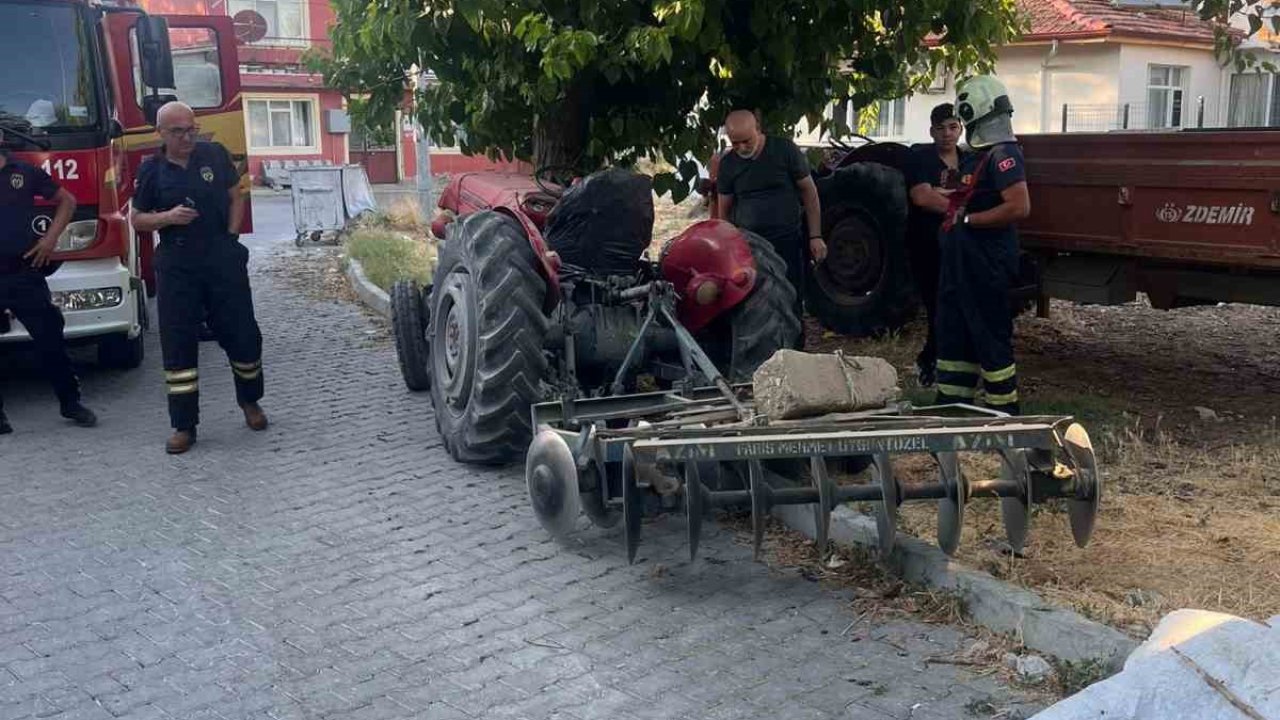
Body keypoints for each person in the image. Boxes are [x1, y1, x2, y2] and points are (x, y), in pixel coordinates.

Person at [130, 102, 267, 454]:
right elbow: (137, 219)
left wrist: (232, 238)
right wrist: (169, 218)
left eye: (191, 128)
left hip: (221, 259)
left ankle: (250, 402)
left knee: (242, 335)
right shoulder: (150, 171)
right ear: (160, 133)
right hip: (177, 264)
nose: (188, 136)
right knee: (178, 344)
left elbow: (235, 195)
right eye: (179, 132)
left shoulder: (214, 154)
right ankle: (184, 426)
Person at [934, 77, 1030, 415]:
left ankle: (1003, 417)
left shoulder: (1004, 154)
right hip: (962, 265)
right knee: (953, 336)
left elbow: (1019, 206)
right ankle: (950, 411)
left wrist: (970, 221)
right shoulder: (979, 156)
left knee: (990, 339)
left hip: (986, 264)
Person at [0, 141, 98, 434]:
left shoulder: (25, 172)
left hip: (22, 272)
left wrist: (50, 239)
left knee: (50, 340)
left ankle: (71, 403)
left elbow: (67, 200)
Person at [715, 109, 826, 317]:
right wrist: (727, 247)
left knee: (791, 296)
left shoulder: (784, 151)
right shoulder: (728, 164)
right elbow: (724, 210)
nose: (741, 148)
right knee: (754, 301)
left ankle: (794, 346)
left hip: (788, 239)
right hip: (750, 245)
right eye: (734, 142)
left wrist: (815, 236)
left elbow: (810, 193)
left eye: (746, 141)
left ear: (758, 128)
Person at [906, 103, 969, 388]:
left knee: (958, 304)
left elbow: (976, 193)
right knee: (936, 306)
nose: (947, 134)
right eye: (941, 128)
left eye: (953, 127)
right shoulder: (919, 158)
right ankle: (930, 363)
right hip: (928, 246)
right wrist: (958, 206)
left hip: (961, 243)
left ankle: (946, 363)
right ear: (931, 131)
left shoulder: (969, 159)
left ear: (961, 129)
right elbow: (922, 197)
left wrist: (942, 194)